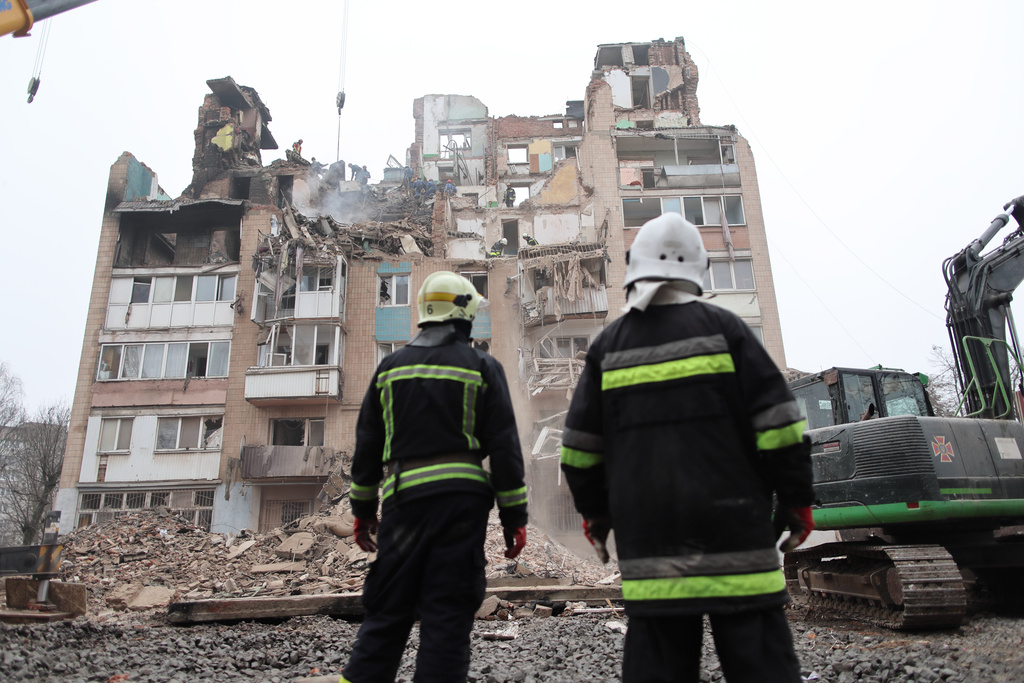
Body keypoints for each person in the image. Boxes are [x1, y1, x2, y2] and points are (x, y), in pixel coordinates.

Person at [560, 212, 814, 683]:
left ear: (635, 267)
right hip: (739, 542)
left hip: (653, 549)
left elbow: (577, 453)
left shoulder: (608, 348)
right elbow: (781, 427)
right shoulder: (727, 330)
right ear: (699, 267)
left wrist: (597, 516)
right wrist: (797, 499)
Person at [338, 271, 528, 683]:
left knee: (387, 614)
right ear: (465, 314)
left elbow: (367, 447)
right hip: (462, 507)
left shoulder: (388, 369)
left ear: (424, 311)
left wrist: (363, 511)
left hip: (405, 504)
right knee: (447, 616)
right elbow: (505, 447)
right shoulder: (482, 366)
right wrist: (515, 518)